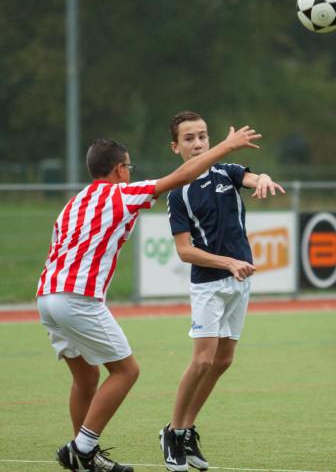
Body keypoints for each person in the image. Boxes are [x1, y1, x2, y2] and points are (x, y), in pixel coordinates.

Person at [36, 125, 262, 472]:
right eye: (129, 168)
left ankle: (87, 456)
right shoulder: (119, 194)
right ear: (119, 170)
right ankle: (81, 448)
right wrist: (227, 147)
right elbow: (182, 175)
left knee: (86, 379)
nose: (130, 173)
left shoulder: (75, 201)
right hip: (77, 297)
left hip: (47, 296)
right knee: (126, 371)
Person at [160, 111, 285, 472]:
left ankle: (186, 431)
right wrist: (227, 262)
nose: (198, 143)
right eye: (189, 138)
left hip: (240, 280)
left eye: (202, 136)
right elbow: (185, 251)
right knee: (202, 361)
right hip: (209, 285)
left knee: (224, 361)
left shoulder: (225, 172)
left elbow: (251, 176)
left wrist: (263, 178)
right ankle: (172, 431)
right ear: (175, 147)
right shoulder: (177, 192)